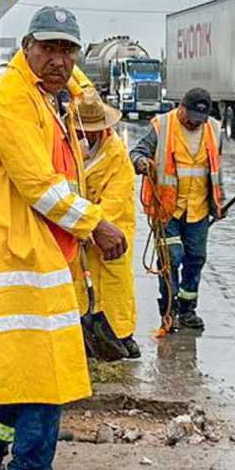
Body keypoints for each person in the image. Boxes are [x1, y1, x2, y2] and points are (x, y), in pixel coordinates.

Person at [0, 6, 127, 470]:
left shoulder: (43, 100)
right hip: (17, 257)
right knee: (46, 376)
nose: (58, 58)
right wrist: (96, 224)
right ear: (26, 46)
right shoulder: (12, 99)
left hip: (23, 252)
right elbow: (38, 184)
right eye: (49, 47)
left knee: (12, 375)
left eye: (68, 49)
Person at [130, 88, 225, 332]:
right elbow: (136, 152)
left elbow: (215, 170)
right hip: (166, 209)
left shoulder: (214, 129)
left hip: (198, 210)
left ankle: (188, 310)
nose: (194, 123)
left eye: (199, 119)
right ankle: (169, 310)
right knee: (170, 257)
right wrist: (141, 163)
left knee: (196, 259)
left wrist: (219, 202)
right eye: (190, 116)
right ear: (181, 107)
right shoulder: (162, 126)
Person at [71, 88, 140, 359]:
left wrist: (91, 227)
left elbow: (114, 201)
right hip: (80, 232)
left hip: (111, 234)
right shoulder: (72, 150)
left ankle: (123, 337)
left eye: (91, 130)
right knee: (81, 290)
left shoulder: (117, 157)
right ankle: (87, 338)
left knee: (115, 289)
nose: (85, 135)